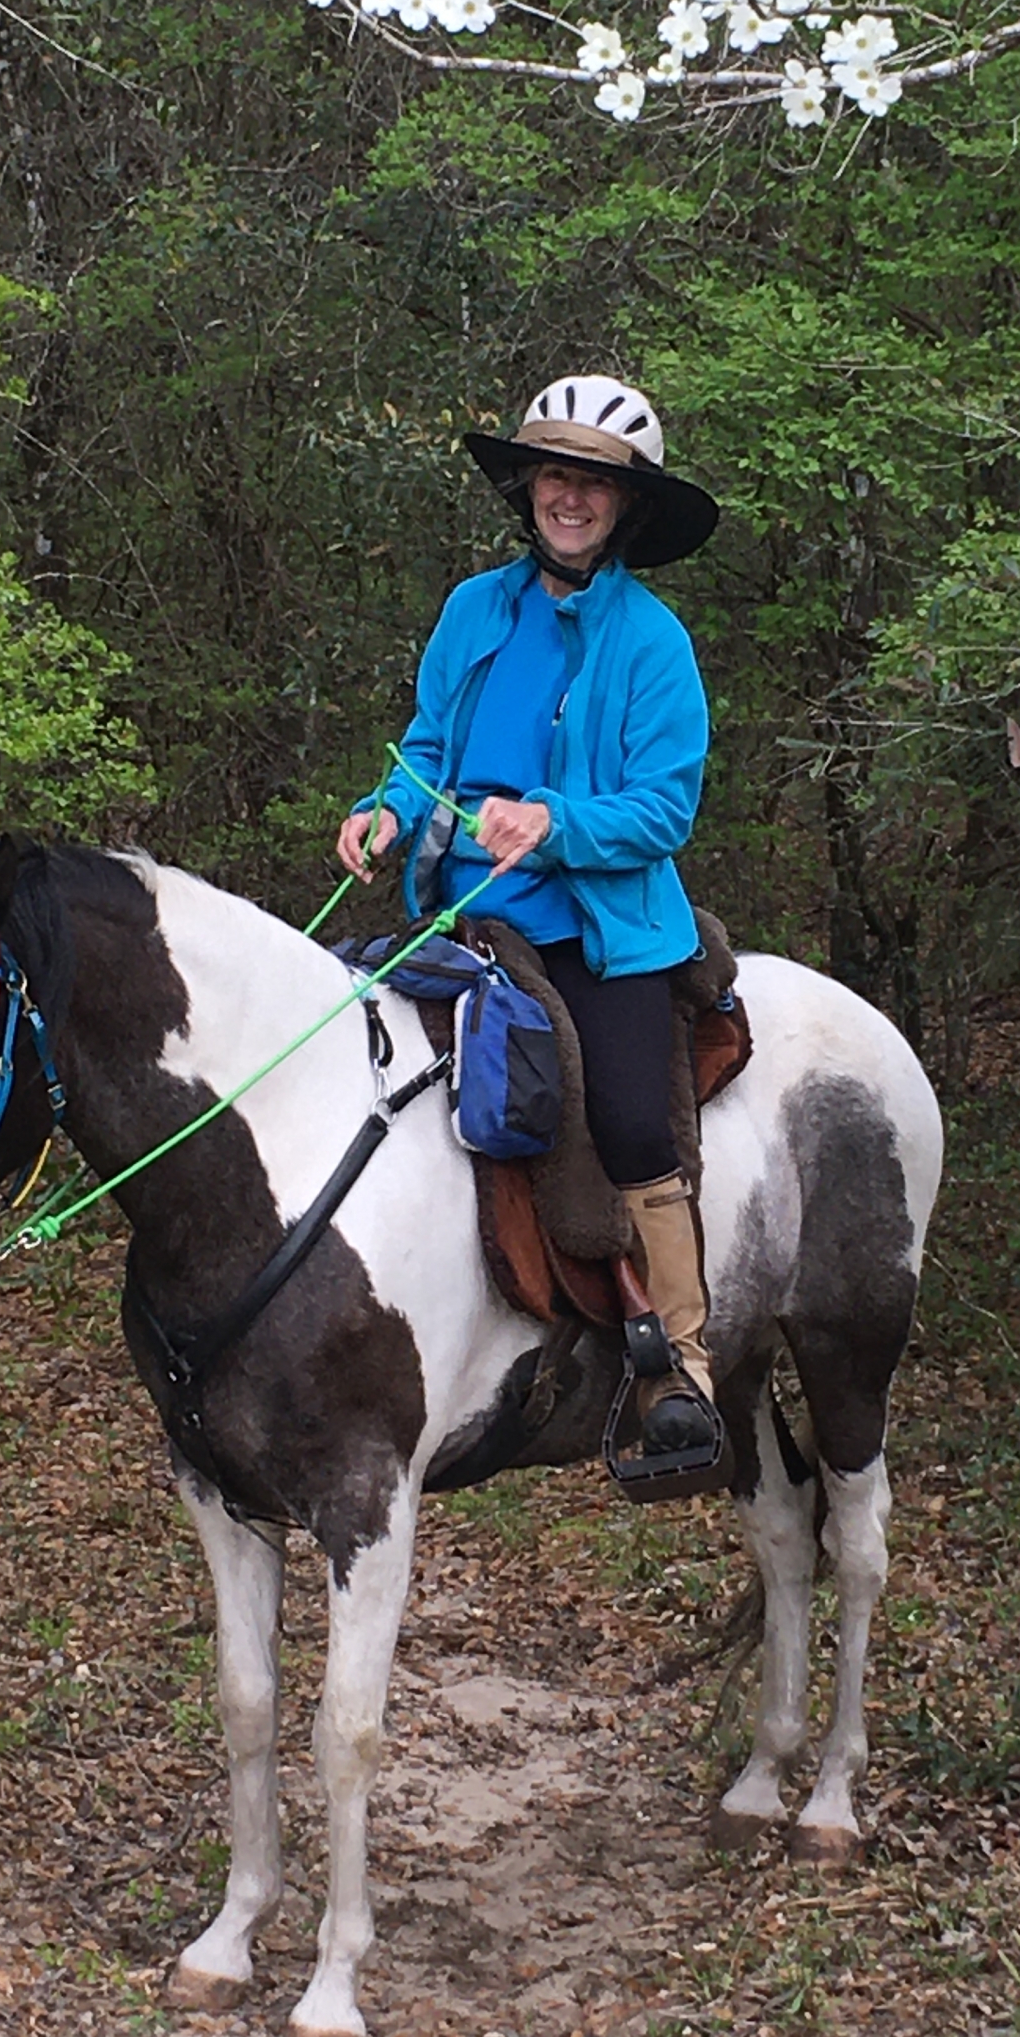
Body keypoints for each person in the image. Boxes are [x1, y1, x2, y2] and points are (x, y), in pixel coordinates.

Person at [337, 375, 722, 1455]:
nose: (571, 498)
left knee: (636, 1120)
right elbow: (426, 752)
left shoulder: (654, 645)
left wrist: (551, 823)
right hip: (458, 917)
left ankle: (681, 1360)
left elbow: (664, 806)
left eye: (595, 483)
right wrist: (384, 812)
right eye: (556, 473)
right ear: (529, 487)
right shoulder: (474, 610)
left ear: (626, 505)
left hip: (598, 928)